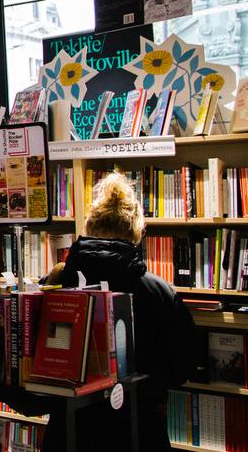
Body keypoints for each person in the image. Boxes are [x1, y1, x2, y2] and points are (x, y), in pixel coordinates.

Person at [41, 172, 196, 452]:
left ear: (90, 226)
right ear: (136, 231)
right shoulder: (159, 292)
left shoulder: (55, 283)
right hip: (138, 431)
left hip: (69, 433)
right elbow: (181, 369)